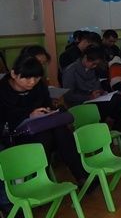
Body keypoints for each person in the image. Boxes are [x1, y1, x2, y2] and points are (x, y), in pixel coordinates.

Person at [0, 55, 87, 184]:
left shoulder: (39, 87)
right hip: (14, 136)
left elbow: (47, 104)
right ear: (13, 74)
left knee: (61, 131)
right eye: (27, 78)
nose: (32, 82)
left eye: (36, 77)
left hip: (41, 129)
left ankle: (82, 177)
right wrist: (28, 115)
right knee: (45, 136)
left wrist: (48, 110)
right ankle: (41, 181)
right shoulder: (3, 91)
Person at [61, 45, 121, 134]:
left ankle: (117, 130)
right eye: (93, 63)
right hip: (79, 103)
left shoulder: (93, 69)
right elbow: (68, 95)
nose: (94, 66)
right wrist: (89, 97)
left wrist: (100, 91)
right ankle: (99, 130)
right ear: (85, 58)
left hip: (93, 99)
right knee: (106, 105)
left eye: (96, 64)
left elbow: (97, 85)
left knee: (118, 98)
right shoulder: (70, 71)